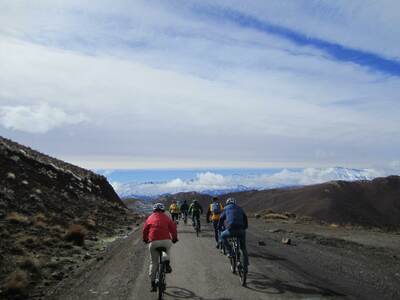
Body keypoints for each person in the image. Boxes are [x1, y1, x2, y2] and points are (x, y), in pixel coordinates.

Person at [143, 203, 178, 292]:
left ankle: (153, 284)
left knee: (153, 262)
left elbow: (145, 230)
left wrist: (145, 239)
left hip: (153, 242)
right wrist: (174, 238)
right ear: (163, 210)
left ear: (154, 210)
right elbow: (173, 228)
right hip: (166, 241)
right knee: (167, 249)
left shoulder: (150, 217)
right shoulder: (167, 217)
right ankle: (167, 264)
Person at [218, 197, 249, 272]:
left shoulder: (225, 208)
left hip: (231, 229)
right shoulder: (240, 208)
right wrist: (244, 227)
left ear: (227, 203)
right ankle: (246, 264)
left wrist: (220, 227)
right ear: (235, 202)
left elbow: (221, 219)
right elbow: (245, 218)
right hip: (241, 230)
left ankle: (230, 252)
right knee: (243, 248)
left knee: (222, 236)